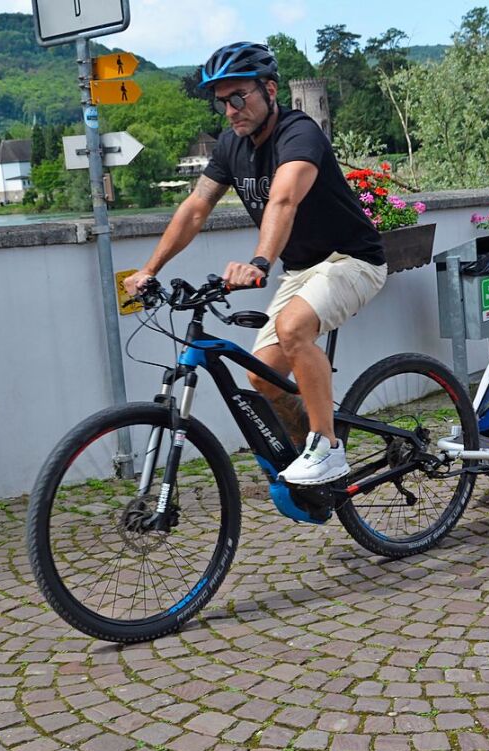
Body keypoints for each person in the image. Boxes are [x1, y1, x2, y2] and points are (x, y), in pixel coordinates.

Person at [123, 42, 387, 486]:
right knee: (262, 376)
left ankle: (329, 449)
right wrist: (150, 268)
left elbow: (283, 198)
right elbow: (196, 208)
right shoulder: (232, 145)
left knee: (293, 329)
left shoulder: (299, 134)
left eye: (238, 97)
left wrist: (259, 261)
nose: (229, 110)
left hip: (352, 260)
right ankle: (319, 464)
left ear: (269, 89)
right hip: (304, 269)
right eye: (221, 101)